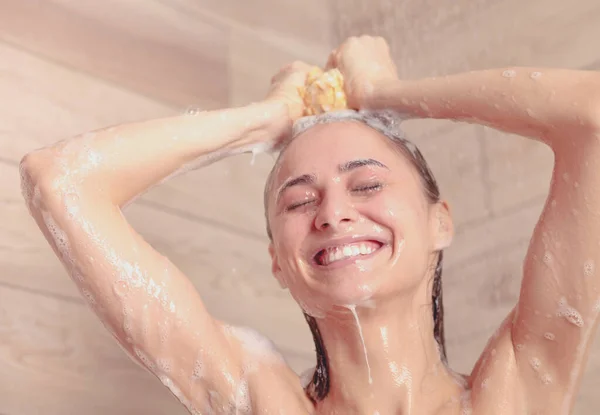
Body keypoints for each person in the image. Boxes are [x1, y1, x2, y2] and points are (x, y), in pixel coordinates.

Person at [19, 35, 600, 414]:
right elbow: (59, 180)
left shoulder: (516, 392)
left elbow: (591, 113)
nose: (333, 213)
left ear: (439, 222)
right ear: (278, 262)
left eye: (368, 184)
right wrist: (263, 121)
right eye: (299, 202)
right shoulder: (260, 400)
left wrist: (387, 94)